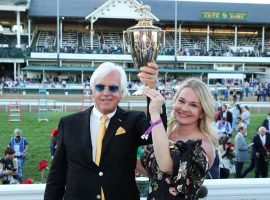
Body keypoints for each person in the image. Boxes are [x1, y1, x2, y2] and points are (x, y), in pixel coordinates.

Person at [44, 62, 166, 200]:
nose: (106, 93)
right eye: (100, 87)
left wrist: (153, 91)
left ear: (121, 93)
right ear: (92, 91)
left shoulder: (134, 121)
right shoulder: (69, 124)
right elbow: (57, 175)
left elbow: (154, 135)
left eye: (113, 88)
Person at [141, 78, 217, 199]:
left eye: (193, 105)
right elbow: (154, 171)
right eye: (181, 101)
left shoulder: (203, 145)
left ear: (202, 113)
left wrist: (155, 114)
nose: (184, 108)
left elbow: (166, 167)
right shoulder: (166, 133)